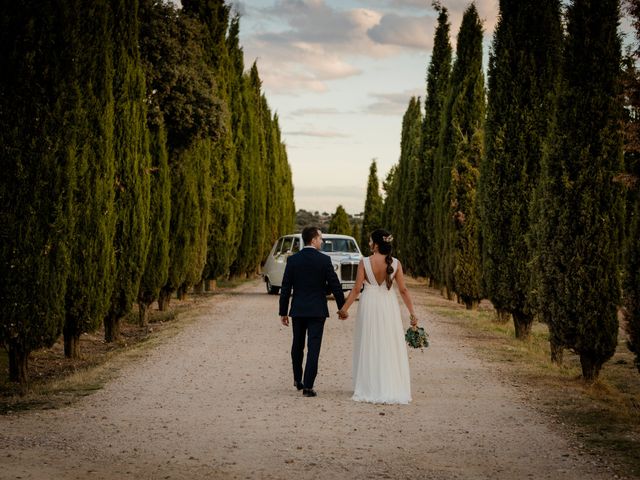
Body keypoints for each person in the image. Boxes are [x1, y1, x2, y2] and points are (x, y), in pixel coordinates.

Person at [338, 229, 418, 404]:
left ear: (375, 244)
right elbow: (403, 290)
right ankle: (390, 384)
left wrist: (344, 309)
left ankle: (369, 385)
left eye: (369, 241)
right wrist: (412, 313)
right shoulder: (396, 263)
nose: (368, 244)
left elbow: (356, 289)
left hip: (369, 304)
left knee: (369, 341)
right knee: (388, 342)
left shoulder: (364, 262)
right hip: (388, 305)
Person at [279, 226, 347, 397]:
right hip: (317, 311)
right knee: (313, 347)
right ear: (313, 239)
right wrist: (342, 307)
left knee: (297, 345)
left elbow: (286, 287)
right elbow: (335, 285)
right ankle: (308, 386)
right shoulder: (324, 260)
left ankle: (297, 379)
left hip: (298, 310)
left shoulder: (293, 260)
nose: (322, 241)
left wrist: (283, 311)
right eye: (320, 238)